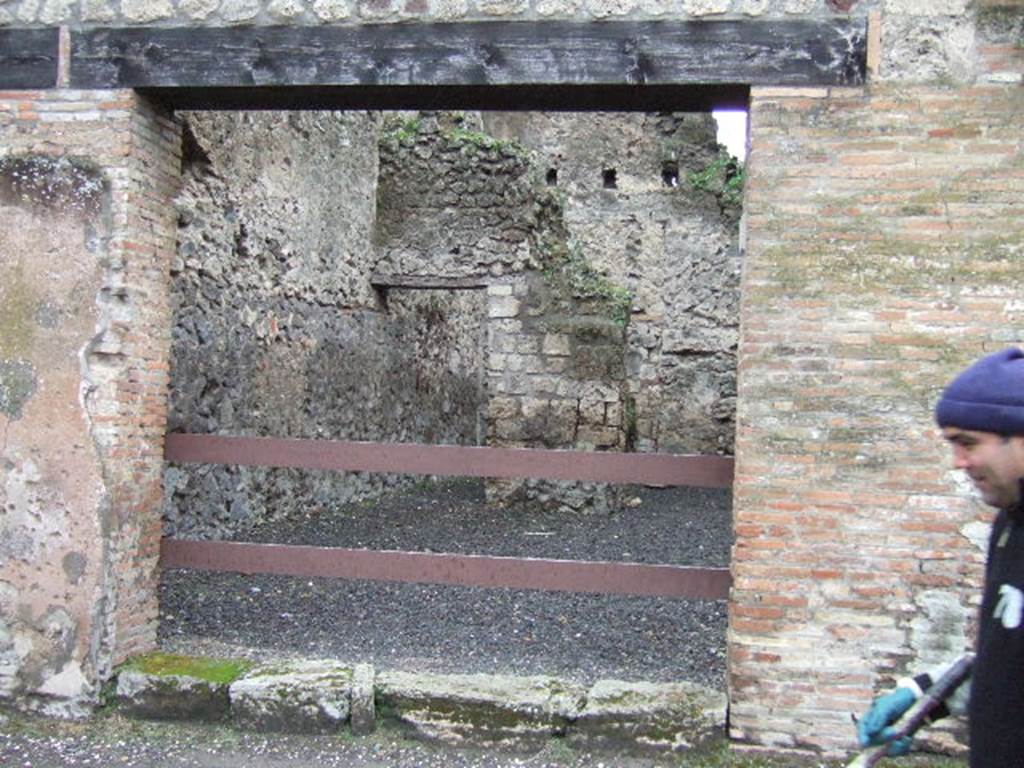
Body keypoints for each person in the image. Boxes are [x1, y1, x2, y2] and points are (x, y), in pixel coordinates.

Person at [856, 346, 1024, 767]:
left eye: (968, 443)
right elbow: (1008, 658)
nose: (958, 462)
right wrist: (922, 696)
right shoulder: (1010, 526)